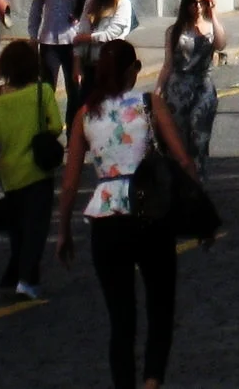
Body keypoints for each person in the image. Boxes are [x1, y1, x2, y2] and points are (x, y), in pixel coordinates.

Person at [54, 40, 194, 389]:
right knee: (160, 305)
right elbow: (183, 159)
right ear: (133, 71)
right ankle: (152, 380)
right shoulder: (149, 104)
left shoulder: (85, 114)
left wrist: (64, 232)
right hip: (150, 211)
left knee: (121, 317)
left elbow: (69, 183)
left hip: (107, 213)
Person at [0, 37, 61, 300]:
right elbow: (56, 126)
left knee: (17, 228)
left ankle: (18, 273)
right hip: (37, 170)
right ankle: (27, 279)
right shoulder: (42, 91)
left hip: (9, 169)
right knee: (36, 227)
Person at [158, 0, 226, 166]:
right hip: (178, 87)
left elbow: (221, 44)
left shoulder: (211, 28)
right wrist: (158, 90)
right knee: (177, 139)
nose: (197, 7)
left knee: (200, 136)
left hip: (203, 85)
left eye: (202, 2)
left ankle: (198, 180)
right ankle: (179, 181)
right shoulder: (175, 31)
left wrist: (214, 15)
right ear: (186, 5)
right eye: (193, 3)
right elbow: (168, 64)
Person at [27, 0, 88, 106]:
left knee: (74, 88)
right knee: (46, 89)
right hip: (49, 41)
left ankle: (73, 127)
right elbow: (36, 8)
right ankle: (46, 126)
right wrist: (33, 34)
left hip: (72, 40)